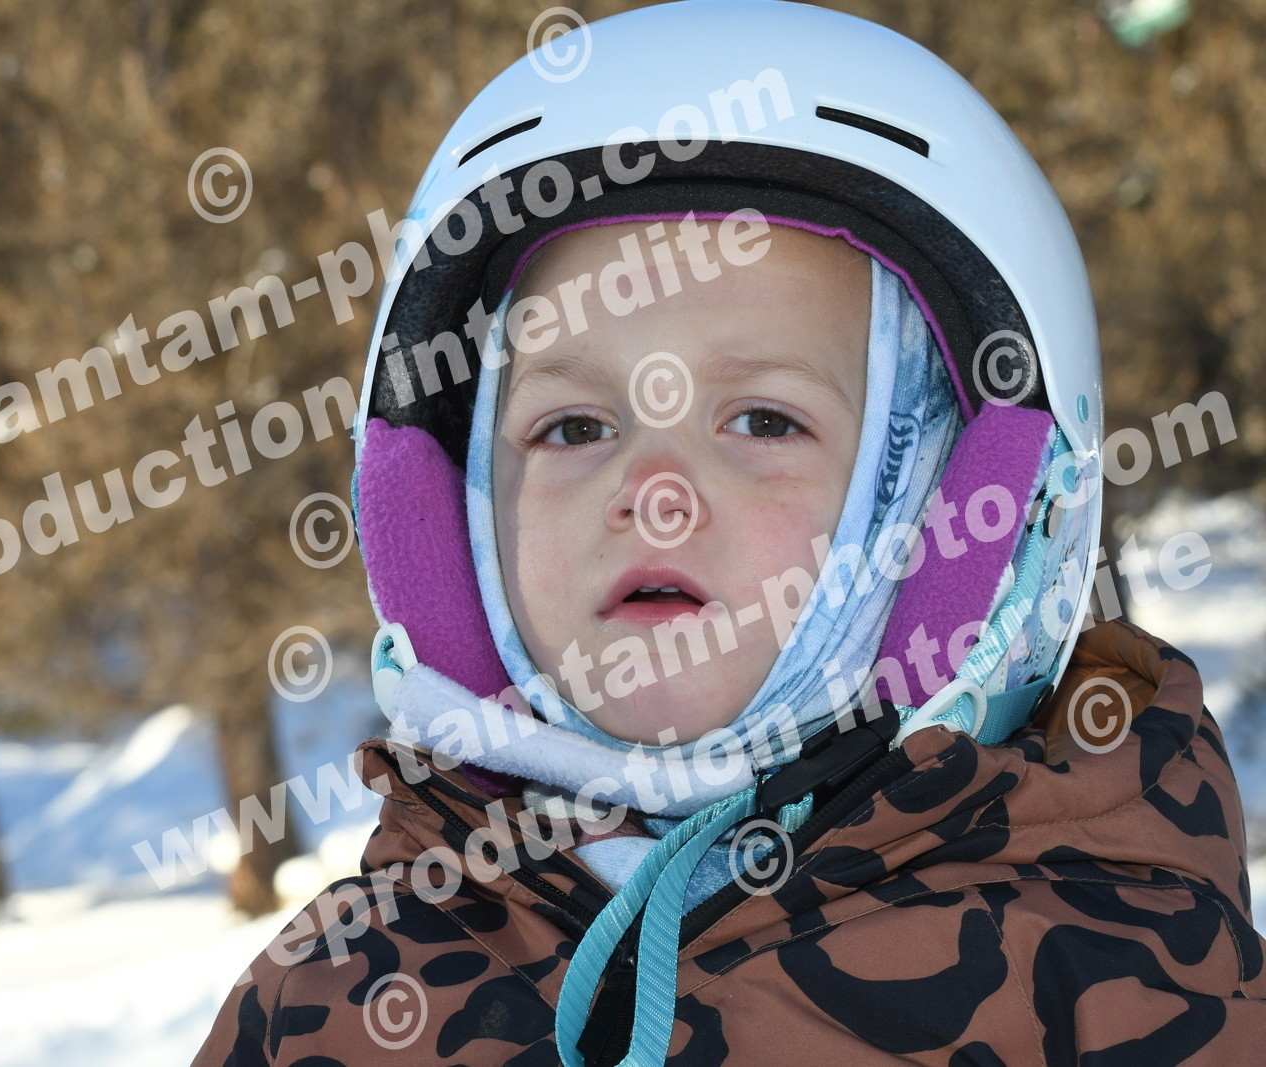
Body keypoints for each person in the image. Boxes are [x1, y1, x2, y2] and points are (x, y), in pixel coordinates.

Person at [193, 2, 1266, 1063]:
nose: (652, 492)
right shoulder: (331, 994)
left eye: (762, 422)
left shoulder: (1118, 983)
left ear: (970, 507)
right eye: (575, 427)